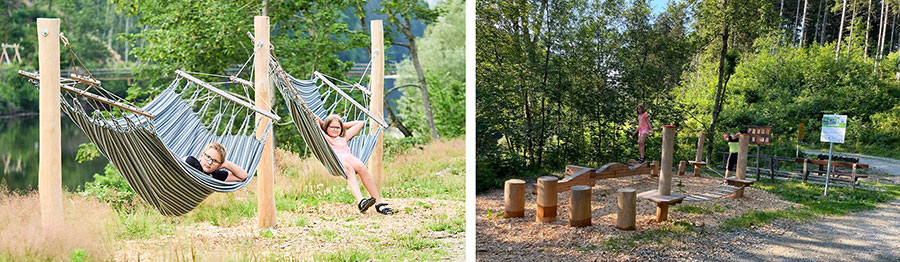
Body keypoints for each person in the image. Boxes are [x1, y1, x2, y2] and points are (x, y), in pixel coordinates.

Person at [319, 114, 393, 215]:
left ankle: (379, 203)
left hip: (347, 157)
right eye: (332, 127)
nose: (335, 130)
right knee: (349, 169)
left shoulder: (344, 137)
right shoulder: (324, 137)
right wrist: (324, 124)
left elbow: (360, 123)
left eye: (338, 128)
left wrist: (341, 124)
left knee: (361, 166)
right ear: (326, 127)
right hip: (335, 160)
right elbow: (315, 122)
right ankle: (361, 201)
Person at [184, 142, 248, 182]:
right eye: (208, 157)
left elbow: (243, 176)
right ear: (201, 155)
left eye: (215, 161)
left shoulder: (217, 175)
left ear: (220, 165)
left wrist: (226, 164)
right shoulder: (191, 162)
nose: (209, 162)